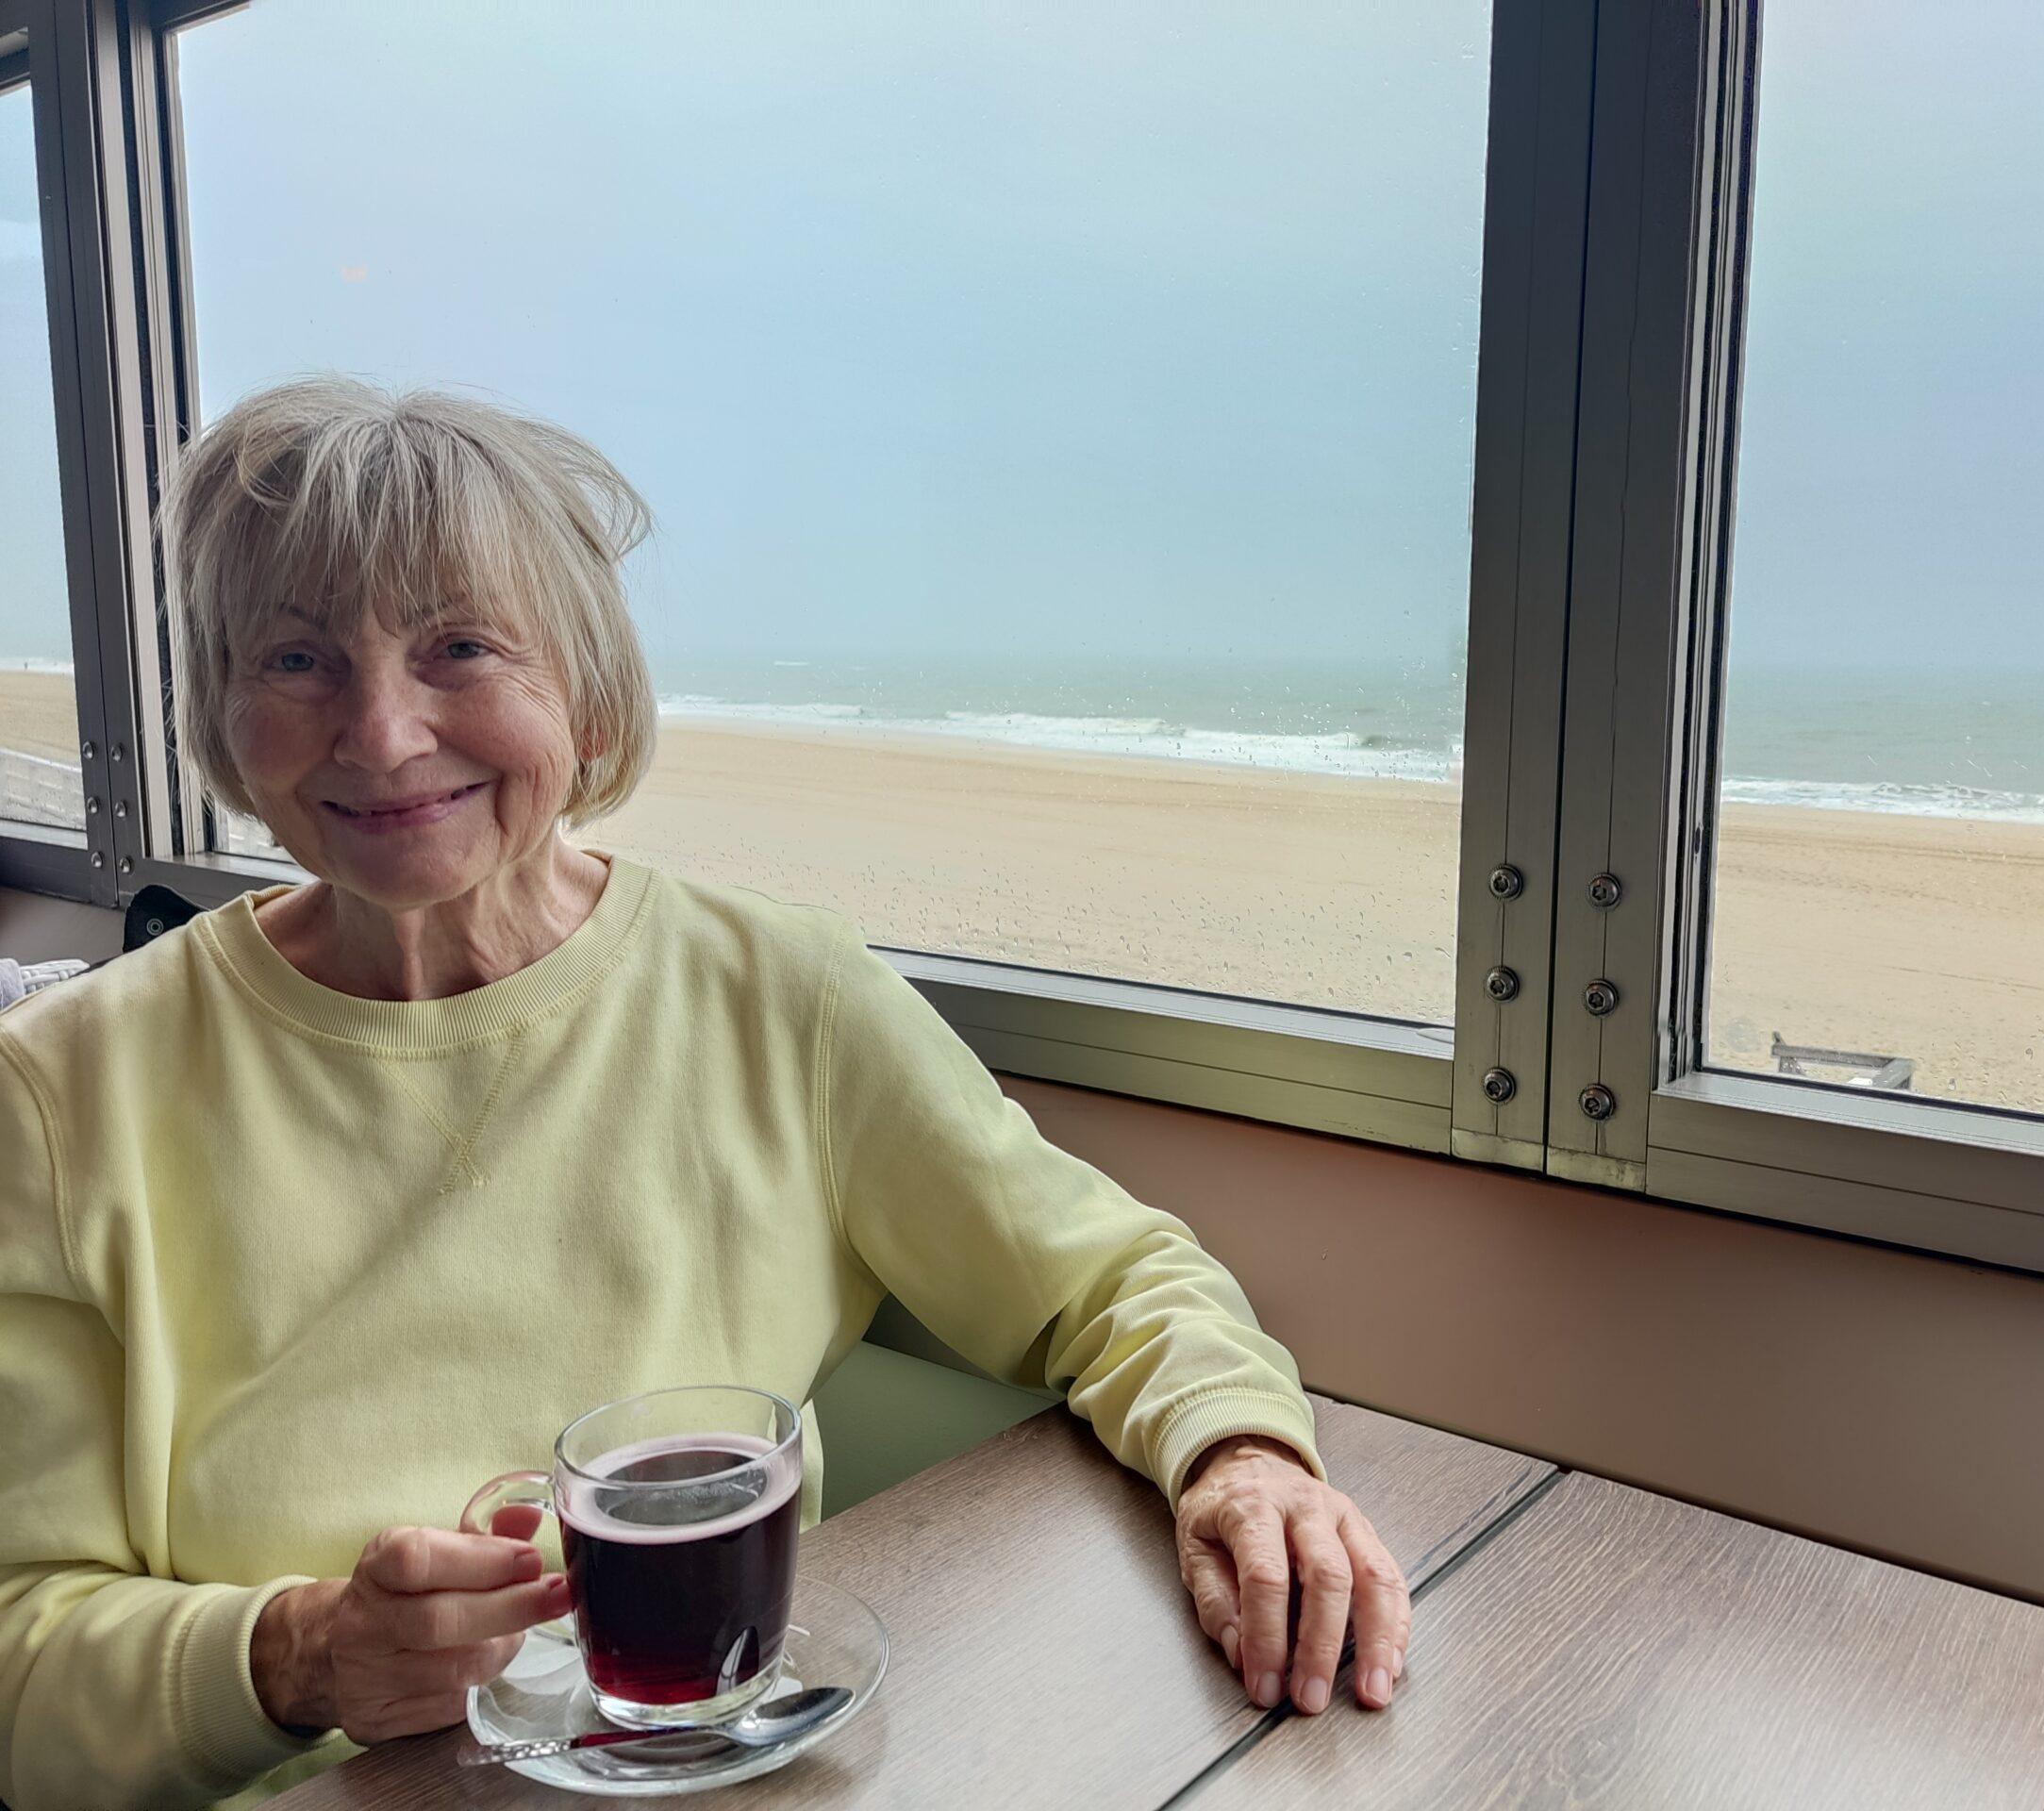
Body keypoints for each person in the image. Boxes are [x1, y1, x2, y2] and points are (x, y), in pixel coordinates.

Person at [0, 377, 1410, 1810]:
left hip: (725, 1779)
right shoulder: (61, 1095)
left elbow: (1107, 1279)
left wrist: (1241, 1458)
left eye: (460, 647)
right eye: (297, 659)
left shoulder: (781, 997)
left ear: (586, 690)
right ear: (223, 711)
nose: (382, 731)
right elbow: (16, 1663)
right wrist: (292, 1657)